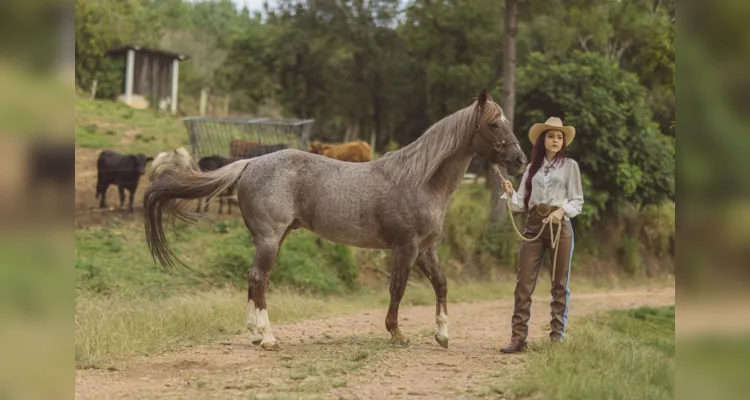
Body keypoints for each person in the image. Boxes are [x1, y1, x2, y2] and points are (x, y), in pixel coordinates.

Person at [498, 116, 584, 353]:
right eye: (551, 136)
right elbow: (521, 204)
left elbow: (577, 201)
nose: (555, 140)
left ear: (563, 141)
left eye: (559, 137)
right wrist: (510, 191)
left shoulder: (570, 166)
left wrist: (561, 211)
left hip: (559, 227)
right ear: (543, 140)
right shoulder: (531, 169)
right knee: (523, 283)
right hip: (534, 225)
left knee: (559, 284)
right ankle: (518, 338)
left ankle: (557, 337)